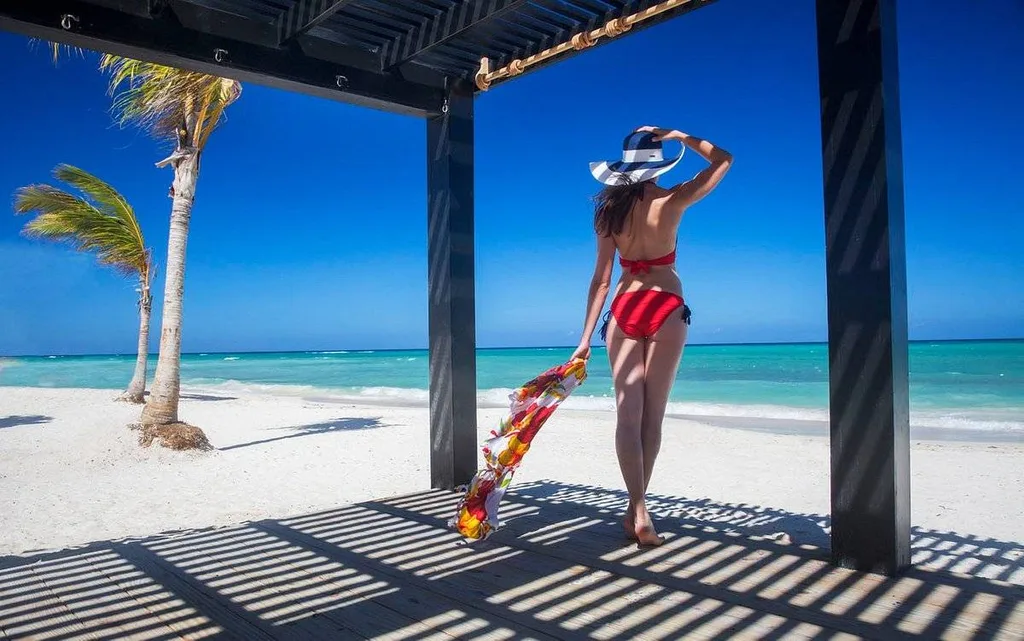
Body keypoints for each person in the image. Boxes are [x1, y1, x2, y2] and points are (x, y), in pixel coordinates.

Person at [571, 125, 733, 546]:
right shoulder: (674, 199)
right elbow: (724, 160)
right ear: (659, 165)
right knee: (652, 415)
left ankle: (636, 508)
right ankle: (639, 511)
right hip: (666, 307)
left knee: (628, 414)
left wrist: (585, 338)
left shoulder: (608, 214)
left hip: (624, 309)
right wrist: (681, 135)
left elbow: (601, 281)